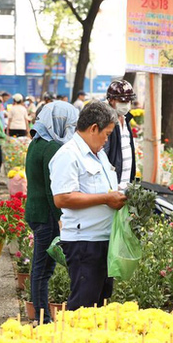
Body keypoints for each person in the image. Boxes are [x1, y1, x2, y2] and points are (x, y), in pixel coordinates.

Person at [49, 101, 127, 310]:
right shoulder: (69, 155)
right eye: (107, 134)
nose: (107, 139)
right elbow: (63, 198)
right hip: (84, 241)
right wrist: (106, 199)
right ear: (94, 128)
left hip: (103, 238)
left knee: (100, 300)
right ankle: (70, 341)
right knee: (83, 303)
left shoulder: (98, 153)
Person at [26, 101, 79, 323]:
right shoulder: (52, 148)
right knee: (43, 269)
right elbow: (52, 190)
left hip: (36, 212)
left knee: (41, 267)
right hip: (46, 215)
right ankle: (42, 317)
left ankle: (41, 314)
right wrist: (60, 219)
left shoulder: (37, 142)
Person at [104, 80, 137, 190]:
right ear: (111, 100)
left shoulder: (126, 120)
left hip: (126, 184)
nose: (126, 104)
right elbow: (104, 153)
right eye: (122, 101)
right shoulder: (106, 122)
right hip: (113, 186)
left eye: (128, 101)